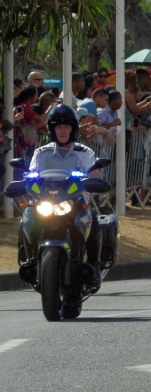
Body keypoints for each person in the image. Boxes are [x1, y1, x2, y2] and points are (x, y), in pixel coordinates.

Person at [26, 105, 104, 284]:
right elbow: (32, 174)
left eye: (66, 127)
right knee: (26, 215)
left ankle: (94, 266)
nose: (62, 130)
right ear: (53, 130)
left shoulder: (84, 152)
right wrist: (26, 180)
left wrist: (95, 177)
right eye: (58, 127)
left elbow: (94, 172)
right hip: (46, 200)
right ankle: (29, 259)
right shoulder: (41, 152)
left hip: (75, 201)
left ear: (73, 129)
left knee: (92, 215)